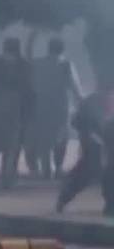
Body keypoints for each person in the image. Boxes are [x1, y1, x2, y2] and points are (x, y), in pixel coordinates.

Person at [0, 37, 34, 190]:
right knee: (11, 146)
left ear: (4, 47)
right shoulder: (24, 66)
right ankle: (7, 179)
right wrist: (28, 113)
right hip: (13, 110)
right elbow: (29, 91)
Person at [26, 37, 84, 178]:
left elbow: (30, 79)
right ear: (62, 49)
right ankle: (57, 167)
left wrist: (30, 41)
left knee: (43, 136)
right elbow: (75, 87)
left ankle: (45, 165)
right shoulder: (66, 64)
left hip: (40, 105)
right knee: (60, 137)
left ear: (49, 48)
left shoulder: (38, 63)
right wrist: (81, 103)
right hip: (60, 106)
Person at [56, 87, 113, 213]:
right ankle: (65, 197)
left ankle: (110, 204)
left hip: (103, 140)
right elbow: (77, 121)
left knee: (103, 171)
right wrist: (91, 135)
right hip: (95, 141)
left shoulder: (96, 101)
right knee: (88, 170)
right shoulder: (92, 102)